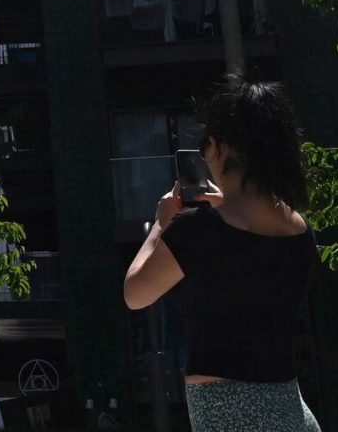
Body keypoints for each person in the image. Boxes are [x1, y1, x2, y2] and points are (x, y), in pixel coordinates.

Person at [123, 77, 322, 432]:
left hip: (228, 413)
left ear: (218, 147)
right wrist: (224, 202)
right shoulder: (299, 230)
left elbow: (135, 293)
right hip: (290, 407)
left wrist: (160, 224)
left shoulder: (198, 230)